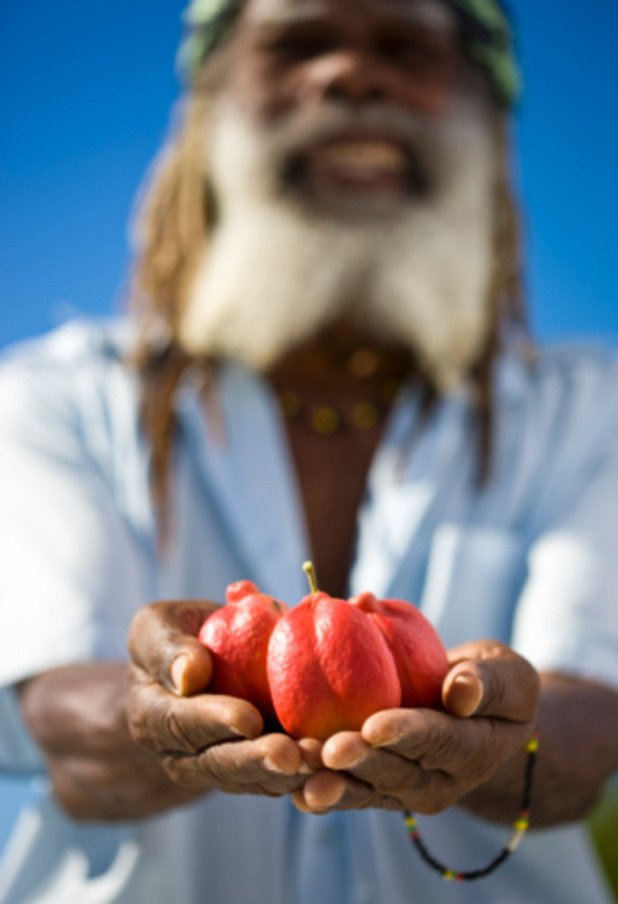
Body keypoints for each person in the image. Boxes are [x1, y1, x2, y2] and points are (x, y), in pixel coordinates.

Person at [1, 0, 617, 901]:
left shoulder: (590, 410)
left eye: (405, 47)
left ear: (485, 117)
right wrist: (146, 717)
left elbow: (591, 726)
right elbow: (52, 713)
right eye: (296, 44)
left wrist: (507, 735)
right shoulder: (56, 399)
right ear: (210, 105)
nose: (348, 77)